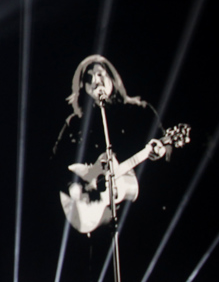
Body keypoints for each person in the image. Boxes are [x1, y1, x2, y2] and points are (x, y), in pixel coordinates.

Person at [52, 55, 170, 234]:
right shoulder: (75, 124)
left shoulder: (140, 112)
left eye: (100, 74)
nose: (95, 81)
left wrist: (162, 150)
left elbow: (166, 146)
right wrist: (83, 181)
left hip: (143, 215)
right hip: (97, 221)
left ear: (112, 78)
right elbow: (55, 165)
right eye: (89, 79)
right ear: (83, 88)